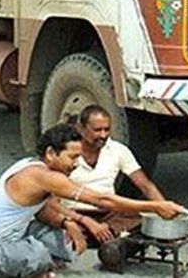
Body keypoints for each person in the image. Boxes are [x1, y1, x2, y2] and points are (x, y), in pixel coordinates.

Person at [0, 124, 184, 278]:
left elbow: (43, 209)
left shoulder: (34, 166)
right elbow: (101, 200)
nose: (75, 164)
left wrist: (69, 222)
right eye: (72, 157)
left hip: (7, 239)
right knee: (38, 255)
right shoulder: (43, 175)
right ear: (52, 154)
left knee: (63, 244)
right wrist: (155, 206)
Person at [49, 105, 166, 270]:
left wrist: (164, 209)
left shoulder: (118, 150)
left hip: (110, 214)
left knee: (144, 220)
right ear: (80, 128)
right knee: (55, 236)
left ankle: (106, 238)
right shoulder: (67, 154)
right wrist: (77, 222)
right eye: (97, 130)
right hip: (76, 216)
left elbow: (145, 185)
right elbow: (52, 200)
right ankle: (105, 240)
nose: (103, 135)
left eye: (106, 129)